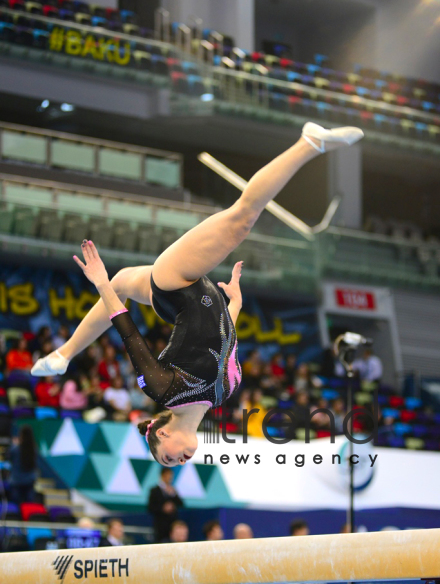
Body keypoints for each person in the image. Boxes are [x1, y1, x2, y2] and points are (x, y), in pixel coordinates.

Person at [31, 122, 364, 465]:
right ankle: (64, 355)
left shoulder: (163, 390)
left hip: (175, 283)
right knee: (121, 283)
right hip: (185, 301)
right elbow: (222, 344)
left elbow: (128, 331)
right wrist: (234, 305)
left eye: (170, 459)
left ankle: (309, 142)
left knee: (242, 218)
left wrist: (99, 282)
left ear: (162, 433)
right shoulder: (224, 395)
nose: (181, 461)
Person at [148, 468, 183, 543]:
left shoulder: (173, 490)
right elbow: (150, 508)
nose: (170, 478)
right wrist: (162, 508)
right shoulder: (154, 491)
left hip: (172, 524)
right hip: (160, 526)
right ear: (163, 476)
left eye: (171, 476)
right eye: (168, 476)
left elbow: (181, 503)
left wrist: (173, 494)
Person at [9, 425, 38, 506]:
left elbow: (9, 456)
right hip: (29, 480)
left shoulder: (16, 449)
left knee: (16, 506)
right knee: (28, 506)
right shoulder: (33, 449)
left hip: (17, 481)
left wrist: (14, 444)